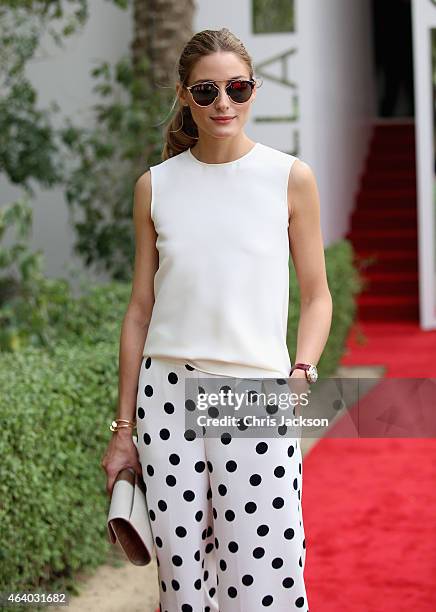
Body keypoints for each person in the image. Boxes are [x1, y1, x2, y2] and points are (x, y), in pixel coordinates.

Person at [101, 27, 332, 612]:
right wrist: (123, 431)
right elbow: (139, 311)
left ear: (253, 91)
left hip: (255, 389)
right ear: (184, 96)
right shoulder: (155, 187)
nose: (223, 103)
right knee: (182, 577)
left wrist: (302, 371)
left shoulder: (290, 178)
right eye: (206, 91)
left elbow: (317, 294)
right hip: (166, 394)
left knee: (263, 573)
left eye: (237, 88)